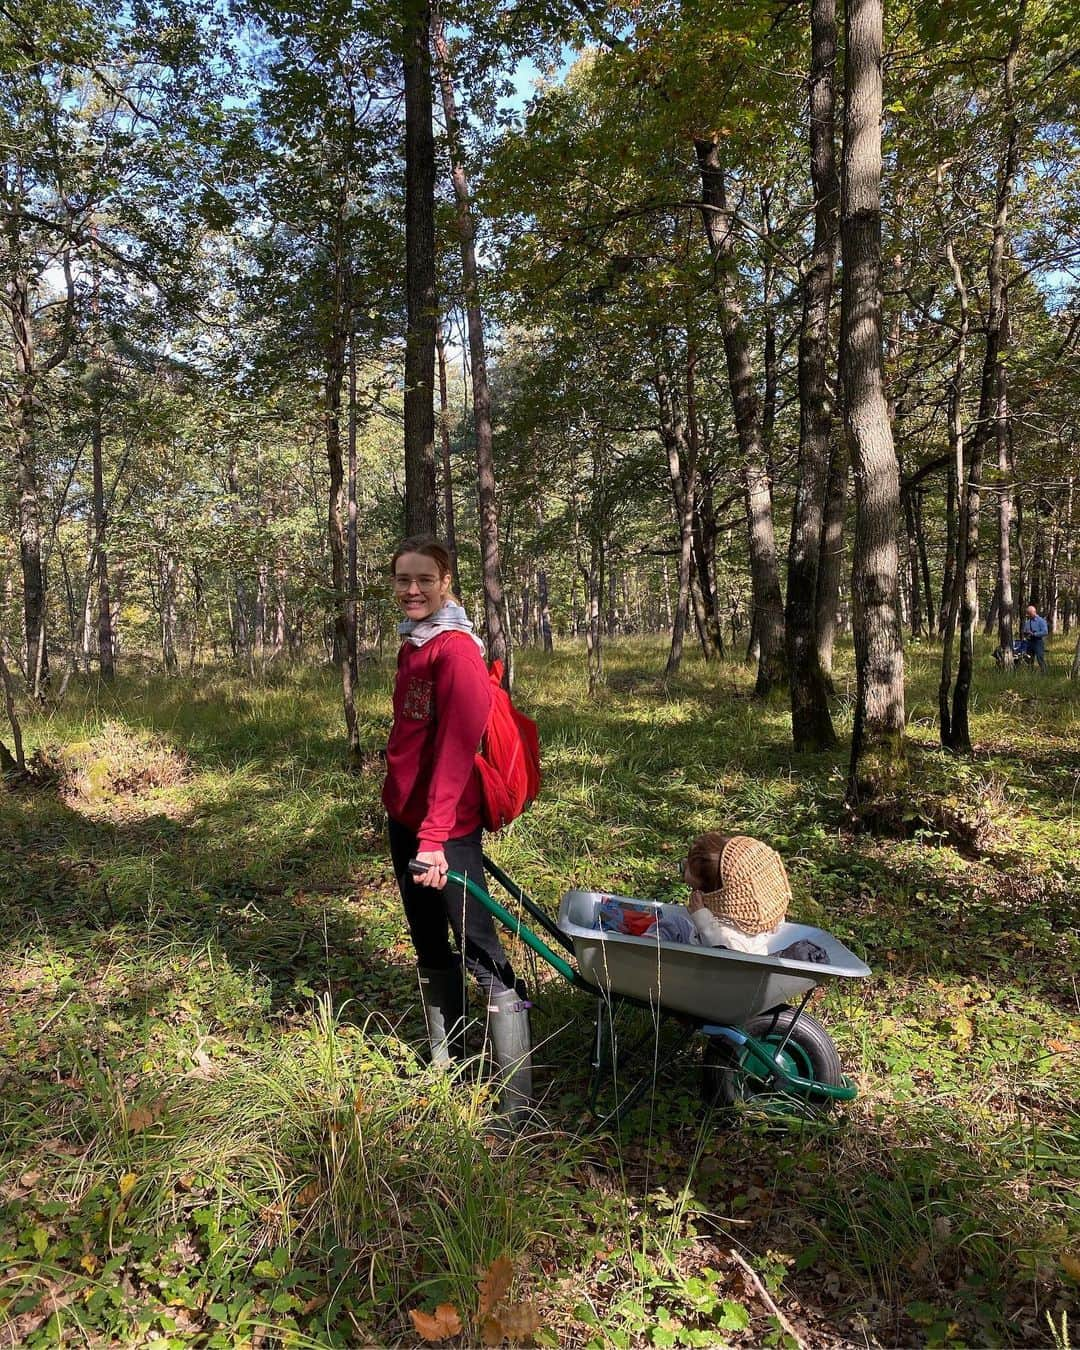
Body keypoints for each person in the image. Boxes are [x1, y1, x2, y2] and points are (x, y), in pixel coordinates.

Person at [382, 536, 531, 1124]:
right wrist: (405, 816)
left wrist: (435, 836)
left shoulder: (456, 652)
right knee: (427, 941)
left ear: (446, 581)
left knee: (478, 948)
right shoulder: (413, 645)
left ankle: (517, 1104)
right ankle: (444, 1067)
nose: (411, 591)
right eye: (402, 580)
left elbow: (456, 748)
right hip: (408, 820)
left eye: (423, 579)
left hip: (443, 830)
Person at [1022, 604, 1049, 673]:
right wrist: (1026, 633)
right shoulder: (1028, 622)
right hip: (1029, 642)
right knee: (1028, 658)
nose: (1028, 615)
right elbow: (1025, 630)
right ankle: (1030, 672)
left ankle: (1044, 673)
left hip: (1038, 642)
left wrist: (1035, 634)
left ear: (1034, 612)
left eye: (1029, 614)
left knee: (1040, 658)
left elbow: (1045, 632)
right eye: (1027, 614)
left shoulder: (1041, 621)